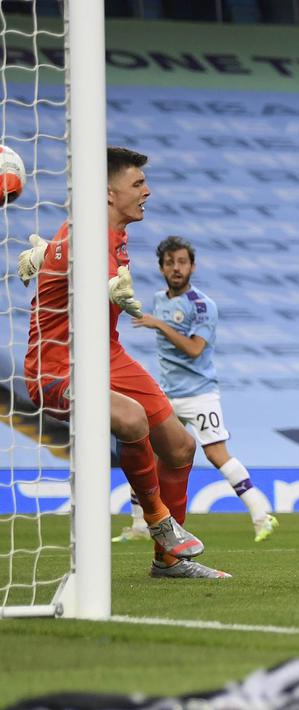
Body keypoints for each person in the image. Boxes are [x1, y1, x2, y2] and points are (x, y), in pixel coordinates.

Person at [17, 146, 225, 578]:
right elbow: (72, 261)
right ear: (109, 193)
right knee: (131, 420)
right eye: (138, 184)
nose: (147, 191)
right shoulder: (82, 239)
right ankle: (157, 520)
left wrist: (50, 256)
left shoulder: (109, 234)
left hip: (107, 352)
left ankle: (168, 563)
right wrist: (82, 274)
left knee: (182, 446)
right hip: (59, 364)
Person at [110, 236, 277, 544]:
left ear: (192, 266)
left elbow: (195, 349)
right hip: (167, 393)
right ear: (161, 268)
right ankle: (139, 525)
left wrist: (159, 325)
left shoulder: (202, 306)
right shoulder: (160, 300)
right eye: (170, 262)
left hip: (199, 394)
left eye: (182, 262)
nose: (176, 268)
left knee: (216, 453)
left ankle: (260, 513)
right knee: (144, 449)